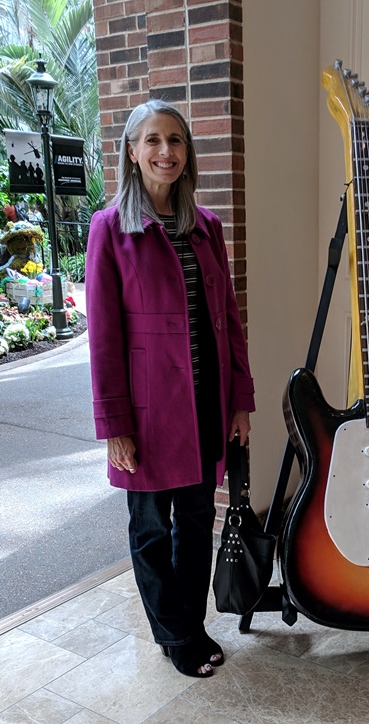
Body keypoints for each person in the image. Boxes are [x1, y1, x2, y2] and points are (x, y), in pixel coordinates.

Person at [85, 99, 255, 678]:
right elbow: (103, 336)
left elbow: (228, 319)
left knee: (196, 521)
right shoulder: (109, 229)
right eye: (152, 140)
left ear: (188, 152)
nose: (166, 151)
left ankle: (190, 622)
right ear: (132, 152)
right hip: (148, 412)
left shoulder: (206, 227)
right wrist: (114, 426)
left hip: (205, 405)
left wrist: (240, 401)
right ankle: (176, 633)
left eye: (176, 140)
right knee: (152, 528)